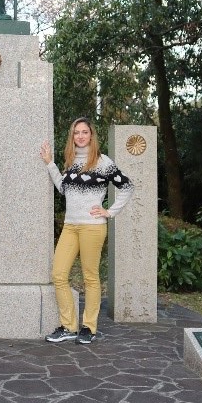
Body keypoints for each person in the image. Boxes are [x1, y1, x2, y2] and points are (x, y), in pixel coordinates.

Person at [40, 118, 134, 345]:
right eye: (76, 133)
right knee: (59, 274)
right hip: (71, 226)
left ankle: (89, 327)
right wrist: (50, 164)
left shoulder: (103, 162)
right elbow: (63, 189)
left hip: (93, 228)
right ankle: (69, 326)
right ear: (72, 137)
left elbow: (127, 186)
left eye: (84, 132)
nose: (80, 136)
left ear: (92, 135)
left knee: (90, 277)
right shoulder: (71, 162)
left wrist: (109, 212)